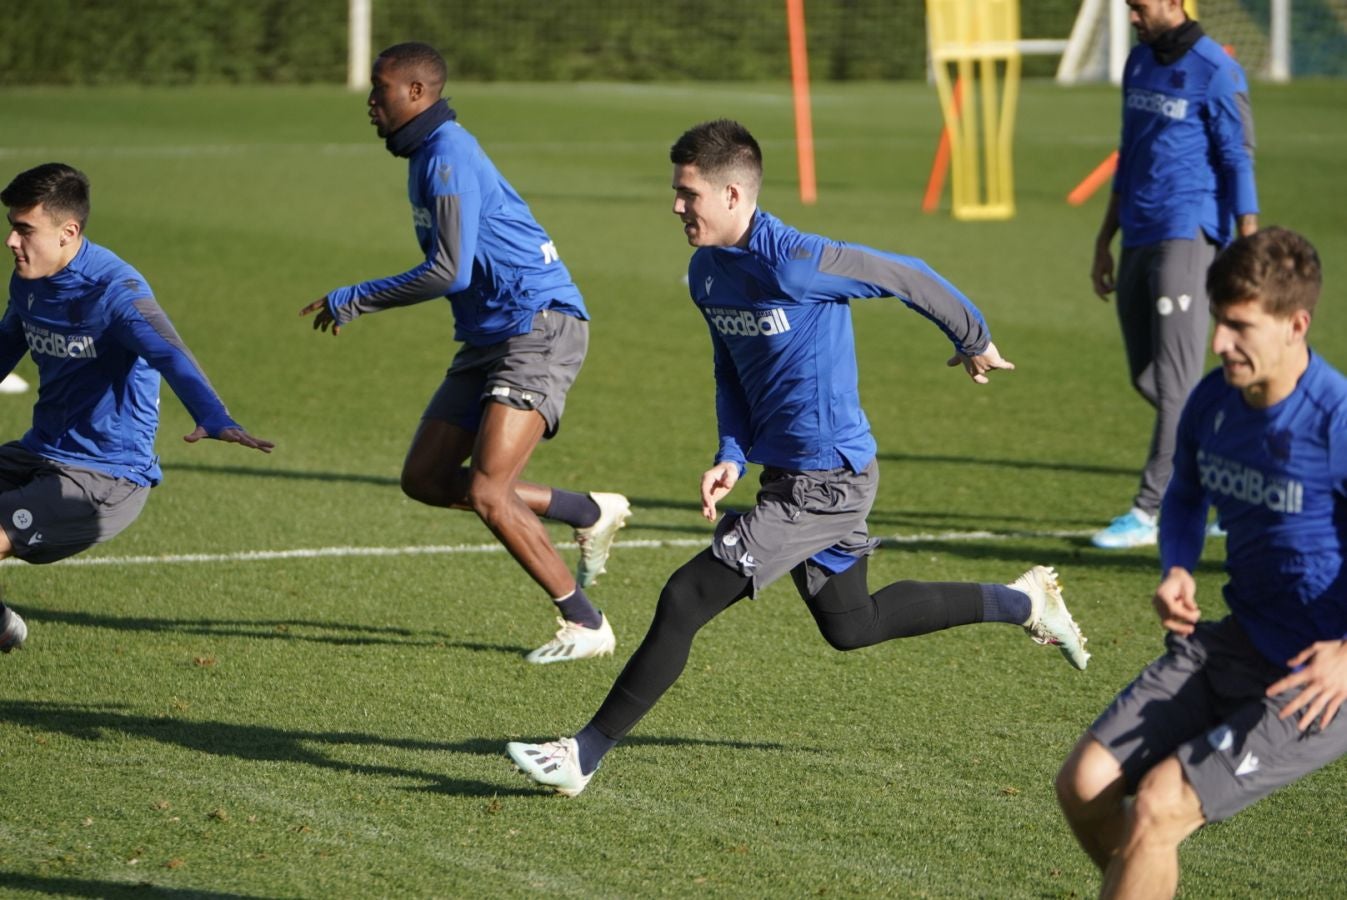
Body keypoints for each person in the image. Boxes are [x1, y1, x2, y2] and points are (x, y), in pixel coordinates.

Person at [505, 119, 1090, 797]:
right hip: (790, 475)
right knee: (851, 624)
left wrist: (971, 338)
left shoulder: (797, 260)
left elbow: (908, 274)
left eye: (686, 193)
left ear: (730, 194)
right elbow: (731, 367)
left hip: (826, 482)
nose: (675, 206)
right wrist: (732, 451)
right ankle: (1022, 604)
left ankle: (584, 751)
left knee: (684, 597)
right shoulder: (705, 272)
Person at [300, 42, 629, 664]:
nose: (370, 102)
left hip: (538, 324)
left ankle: (585, 624)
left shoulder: (446, 154)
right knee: (424, 478)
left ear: (417, 93)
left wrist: (357, 297)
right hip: (488, 336)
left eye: (381, 89)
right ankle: (587, 510)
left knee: (487, 491)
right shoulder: (423, 154)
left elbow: (447, 270)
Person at [1056, 228, 1347, 898]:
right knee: (1084, 787)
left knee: (1157, 808)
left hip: (1316, 677)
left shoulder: (1333, 421)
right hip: (1233, 641)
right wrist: (1177, 566)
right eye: (1217, 321)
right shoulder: (1212, 403)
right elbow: (1185, 492)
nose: (1218, 343)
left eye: (1239, 327)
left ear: (1294, 324)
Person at [0, 162, 274, 653]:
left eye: (24, 230)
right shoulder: (29, 282)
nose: (12, 243)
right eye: (11, 228)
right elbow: (4, 346)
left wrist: (213, 415)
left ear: (68, 232)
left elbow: (169, 350)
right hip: (39, 452)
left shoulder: (113, 292)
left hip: (104, 477)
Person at [1089, 0, 1259, 549]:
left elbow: (1238, 160)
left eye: (1139, 8)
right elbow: (1128, 152)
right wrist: (1103, 237)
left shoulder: (1216, 69)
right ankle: (1233, 470)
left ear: (1170, 3)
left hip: (1189, 231)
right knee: (1151, 379)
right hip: (1137, 230)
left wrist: (1247, 243)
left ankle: (1150, 508)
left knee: (1175, 384)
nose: (1132, 18)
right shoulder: (1138, 63)